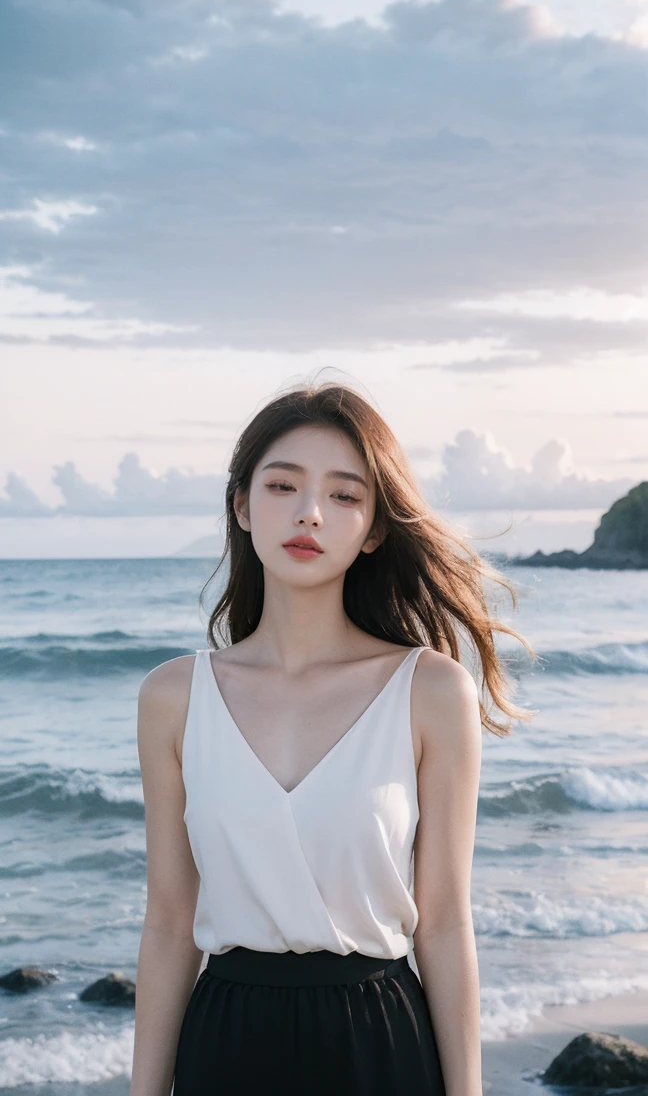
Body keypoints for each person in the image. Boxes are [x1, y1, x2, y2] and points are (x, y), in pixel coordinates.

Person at [130, 379, 536, 1096]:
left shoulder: (430, 691)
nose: (310, 513)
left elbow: (443, 924)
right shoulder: (172, 697)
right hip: (224, 1043)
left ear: (376, 528)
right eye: (283, 486)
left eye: (345, 496)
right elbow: (168, 923)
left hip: (380, 1040)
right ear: (242, 505)